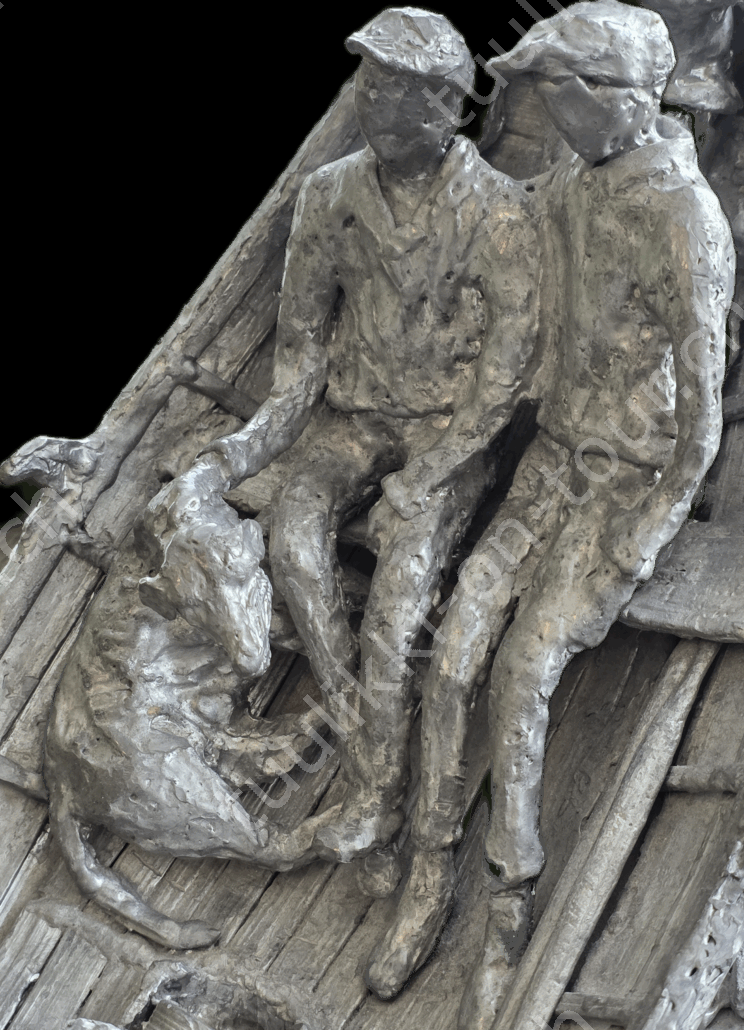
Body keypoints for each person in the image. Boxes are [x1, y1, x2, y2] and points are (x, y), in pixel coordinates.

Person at [362, 3, 736, 1024]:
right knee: (452, 656)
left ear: (619, 98)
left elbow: (704, 416)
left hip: (625, 481)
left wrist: (644, 531)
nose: (547, 110)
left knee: (523, 669)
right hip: (552, 465)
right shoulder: (572, 184)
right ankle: (427, 876)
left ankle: (507, 904)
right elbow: (506, 243)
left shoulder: (685, 219)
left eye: (558, 91)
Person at [158, 8, 541, 862]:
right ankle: (370, 756)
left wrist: (430, 474)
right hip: (353, 420)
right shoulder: (330, 194)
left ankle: (382, 792)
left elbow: (504, 381)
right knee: (294, 537)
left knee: (400, 601)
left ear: (445, 107)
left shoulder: (500, 215)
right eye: (369, 81)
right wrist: (228, 459)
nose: (371, 100)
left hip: (448, 436)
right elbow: (298, 366)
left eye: (395, 88)